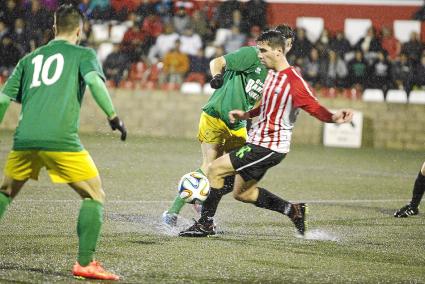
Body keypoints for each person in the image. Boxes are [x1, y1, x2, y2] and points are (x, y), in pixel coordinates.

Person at [179, 29, 353, 238]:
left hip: (269, 146)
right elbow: (267, 106)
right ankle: (293, 210)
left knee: (215, 169)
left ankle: (205, 224)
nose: (259, 55)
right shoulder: (271, 74)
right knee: (243, 193)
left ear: (278, 51)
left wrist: (333, 117)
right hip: (261, 143)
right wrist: (246, 114)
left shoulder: (293, 82)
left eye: (263, 50)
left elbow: (314, 107)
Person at [0, 5, 126, 281]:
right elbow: (95, 83)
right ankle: (85, 263)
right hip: (60, 140)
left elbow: (2, 99)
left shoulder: (30, 58)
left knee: (5, 192)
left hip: (24, 139)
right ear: (79, 31)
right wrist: (113, 116)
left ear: (55, 29)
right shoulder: (83, 54)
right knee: (94, 195)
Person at [162, 26, 296, 227]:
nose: (283, 47)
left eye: (288, 43)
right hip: (215, 114)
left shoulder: (277, 73)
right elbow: (217, 62)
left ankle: (202, 199)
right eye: (280, 41)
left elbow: (259, 100)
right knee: (210, 165)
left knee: (232, 173)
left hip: (237, 123)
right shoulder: (252, 54)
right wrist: (217, 76)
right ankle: (174, 212)